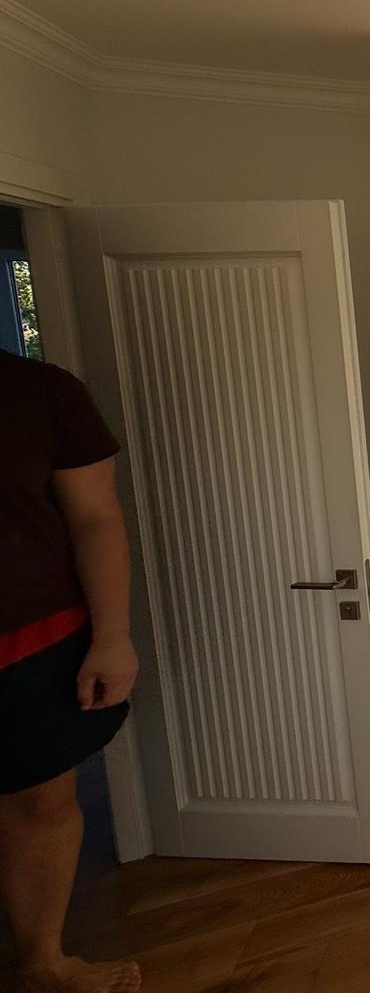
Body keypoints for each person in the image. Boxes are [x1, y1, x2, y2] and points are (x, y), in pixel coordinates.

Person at [1, 348, 141, 993]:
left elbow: (95, 517)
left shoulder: (42, 392)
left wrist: (112, 636)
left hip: (31, 640)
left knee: (42, 803)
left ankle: (43, 966)